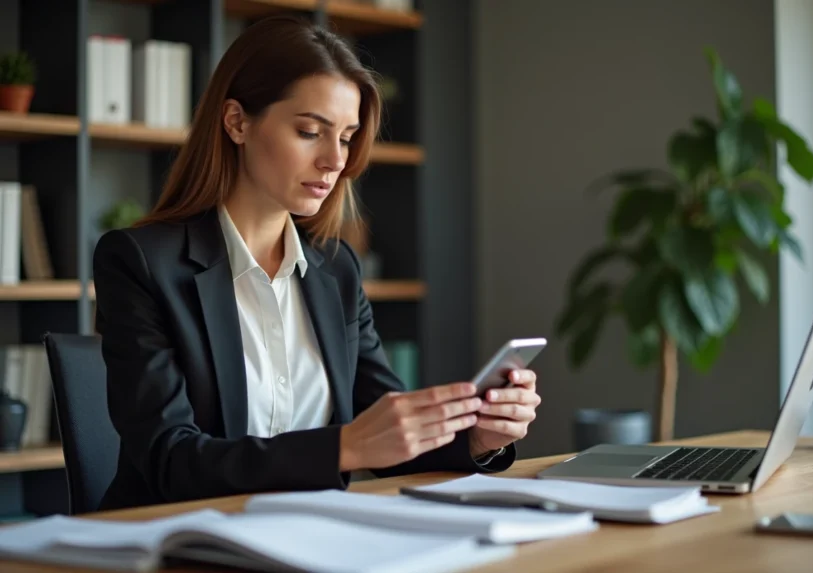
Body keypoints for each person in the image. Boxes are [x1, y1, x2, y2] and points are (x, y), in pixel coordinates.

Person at [92, 14, 541, 511]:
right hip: (176, 535)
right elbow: (170, 460)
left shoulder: (336, 269)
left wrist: (477, 438)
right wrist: (342, 447)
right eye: (310, 131)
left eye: (346, 137)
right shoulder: (141, 263)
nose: (336, 160)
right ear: (237, 122)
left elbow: (383, 437)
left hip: (307, 529)